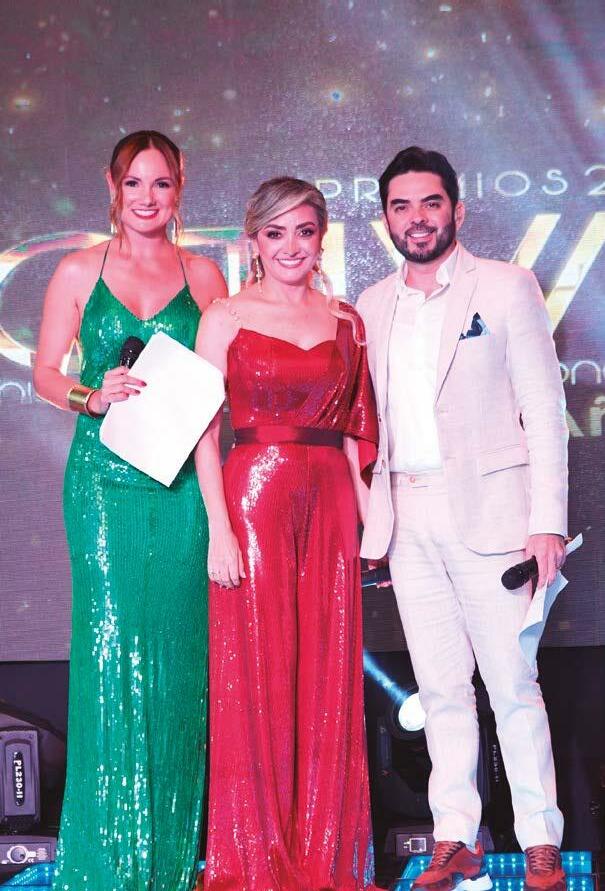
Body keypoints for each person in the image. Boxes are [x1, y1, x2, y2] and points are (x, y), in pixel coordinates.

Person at [357, 147, 568, 891]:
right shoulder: (371, 304)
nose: (416, 219)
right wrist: (372, 524)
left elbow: (544, 408)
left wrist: (547, 521)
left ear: (457, 209)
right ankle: (455, 835)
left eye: (430, 203)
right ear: (385, 219)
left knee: (513, 683)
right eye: (401, 206)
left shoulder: (506, 286)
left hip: (493, 513)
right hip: (406, 513)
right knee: (441, 687)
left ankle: (539, 839)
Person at [33, 130, 228, 891]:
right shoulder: (79, 270)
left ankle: (170, 861)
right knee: (112, 655)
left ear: (181, 188)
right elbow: (45, 372)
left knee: (178, 663)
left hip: (180, 488)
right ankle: (107, 860)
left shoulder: (203, 274)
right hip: (103, 487)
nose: (148, 198)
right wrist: (91, 394)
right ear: (112, 188)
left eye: (162, 184)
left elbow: (217, 385)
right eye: (135, 183)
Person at [194, 177, 379, 890]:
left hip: (330, 500)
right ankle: (256, 857)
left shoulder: (346, 319)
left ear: (321, 237)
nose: (291, 246)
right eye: (276, 233)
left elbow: (356, 433)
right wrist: (218, 529)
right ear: (254, 242)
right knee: (257, 670)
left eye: (304, 231)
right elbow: (203, 432)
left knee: (328, 666)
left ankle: (323, 853)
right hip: (251, 500)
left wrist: (372, 520)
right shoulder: (224, 316)